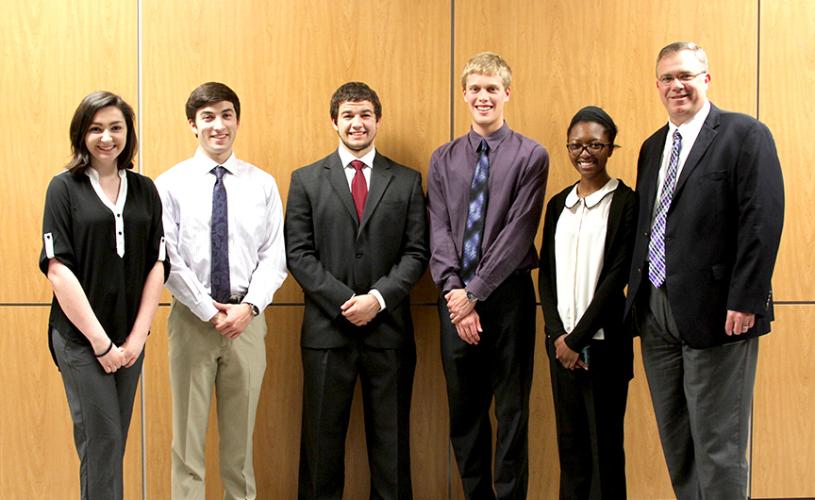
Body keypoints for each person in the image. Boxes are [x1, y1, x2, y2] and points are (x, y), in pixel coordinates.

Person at [625, 42, 784, 499]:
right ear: (657, 86)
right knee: (678, 441)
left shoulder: (744, 134)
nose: (677, 85)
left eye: (687, 75)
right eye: (668, 78)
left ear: (706, 79)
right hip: (655, 311)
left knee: (718, 443)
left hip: (721, 311)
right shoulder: (653, 146)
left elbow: (763, 219)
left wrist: (746, 299)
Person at [285, 81, 428, 500]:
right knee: (321, 450)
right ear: (334, 122)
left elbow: (417, 252)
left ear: (378, 120)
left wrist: (377, 300)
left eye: (365, 114)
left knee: (392, 449)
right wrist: (345, 302)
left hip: (390, 334)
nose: (357, 123)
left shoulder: (405, 181)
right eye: (348, 115)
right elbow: (298, 253)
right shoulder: (306, 180)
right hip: (327, 334)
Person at [155, 82, 287, 500]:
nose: (218, 125)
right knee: (187, 446)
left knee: (239, 448)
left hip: (247, 323)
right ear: (192, 124)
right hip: (192, 322)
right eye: (208, 117)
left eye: (226, 115)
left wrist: (247, 308)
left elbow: (274, 257)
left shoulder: (262, 184)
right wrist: (210, 312)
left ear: (237, 121)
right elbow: (168, 260)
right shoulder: (169, 184)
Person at [427, 52, 549, 499]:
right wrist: (457, 292)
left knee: (513, 411)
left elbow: (519, 231)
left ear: (507, 94)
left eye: (492, 89)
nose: (483, 96)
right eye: (475, 89)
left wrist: (474, 293)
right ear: (464, 95)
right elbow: (437, 228)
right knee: (465, 411)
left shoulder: (531, 155)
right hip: (454, 298)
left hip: (507, 296)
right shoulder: (443, 159)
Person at [40, 91, 168, 499]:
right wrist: (101, 343)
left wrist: (135, 339)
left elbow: (157, 264)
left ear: (128, 133)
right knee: (102, 442)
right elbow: (58, 270)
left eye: (116, 127)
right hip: (81, 341)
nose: (107, 137)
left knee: (112, 444)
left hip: (130, 341)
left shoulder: (146, 189)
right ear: (81, 134)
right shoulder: (63, 188)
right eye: (96, 129)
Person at [538, 106, 637, 499]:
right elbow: (545, 274)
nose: (585, 152)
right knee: (572, 451)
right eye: (576, 144)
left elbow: (617, 279)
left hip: (603, 347)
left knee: (605, 450)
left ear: (610, 147)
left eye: (595, 144)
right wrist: (557, 337)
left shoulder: (627, 202)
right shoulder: (559, 204)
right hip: (561, 349)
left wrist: (576, 340)